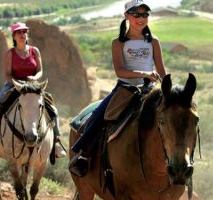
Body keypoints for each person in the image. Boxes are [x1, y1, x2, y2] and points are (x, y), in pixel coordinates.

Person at [69, 0, 166, 175]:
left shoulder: (153, 41)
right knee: (100, 115)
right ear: (127, 16)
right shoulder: (118, 42)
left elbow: (162, 71)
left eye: (145, 14)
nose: (141, 18)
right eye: (136, 14)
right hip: (125, 89)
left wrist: (170, 90)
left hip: (150, 90)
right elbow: (120, 71)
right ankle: (82, 153)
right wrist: (143, 73)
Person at [0, 22, 67, 158]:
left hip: (32, 85)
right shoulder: (10, 53)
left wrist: (33, 77)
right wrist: (16, 83)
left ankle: (57, 141)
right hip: (14, 84)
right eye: (19, 32)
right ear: (14, 36)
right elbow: (7, 74)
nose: (23, 34)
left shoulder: (34, 51)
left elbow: (40, 70)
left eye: (24, 32)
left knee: (52, 107)